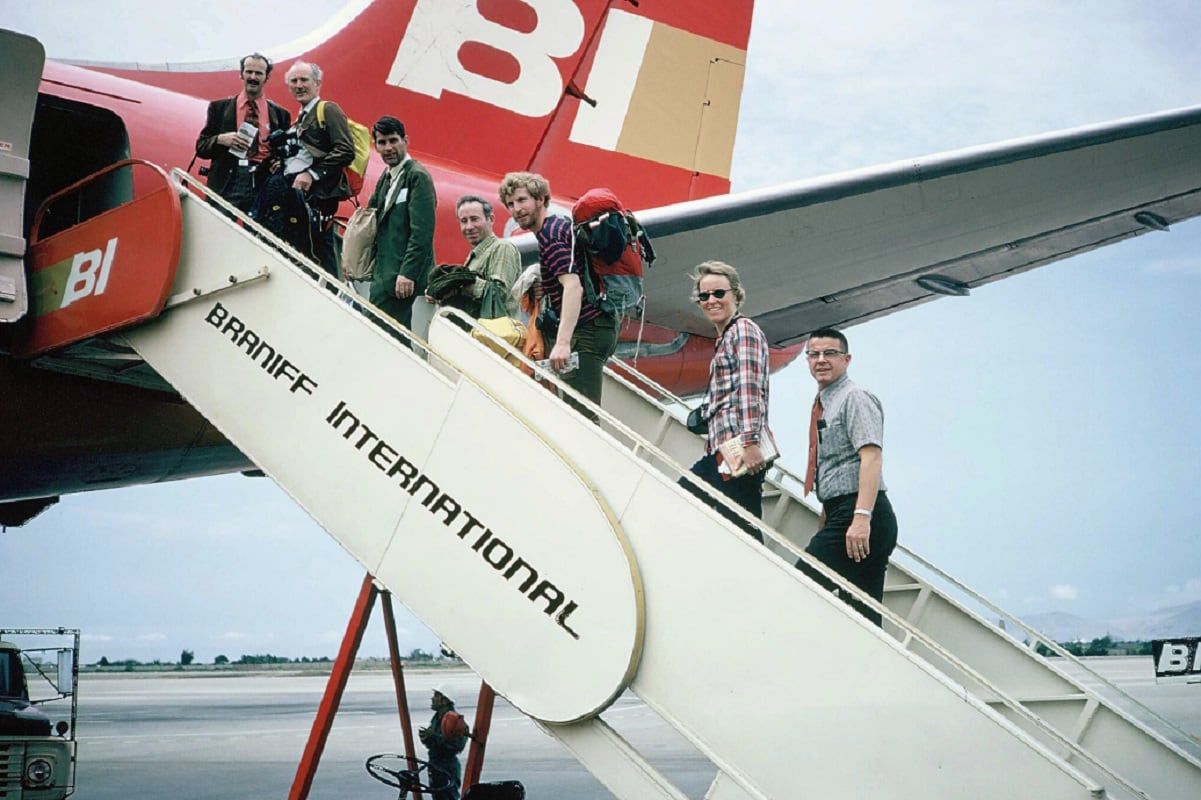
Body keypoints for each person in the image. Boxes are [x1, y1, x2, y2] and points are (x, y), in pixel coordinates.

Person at [796, 327, 898, 626]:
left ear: (846, 359)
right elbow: (837, 466)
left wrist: (862, 518)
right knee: (861, 619)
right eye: (814, 354)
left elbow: (871, 457)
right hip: (841, 511)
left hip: (860, 513)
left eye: (830, 353)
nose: (821, 360)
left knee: (799, 585)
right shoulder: (826, 402)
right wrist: (827, 514)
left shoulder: (854, 398)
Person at [499, 171, 617, 411]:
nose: (516, 209)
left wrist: (563, 343)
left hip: (586, 331)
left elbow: (573, 286)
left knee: (581, 415)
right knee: (578, 411)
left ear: (541, 199)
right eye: (510, 204)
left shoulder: (550, 236)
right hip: (598, 326)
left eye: (522, 200)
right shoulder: (558, 227)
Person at [678, 261, 773, 542]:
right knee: (737, 526)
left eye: (719, 293)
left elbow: (749, 388)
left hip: (738, 449)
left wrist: (751, 443)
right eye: (704, 296)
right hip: (723, 451)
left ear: (736, 294)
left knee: (739, 529)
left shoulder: (743, 331)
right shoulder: (727, 337)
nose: (711, 301)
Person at [282, 60, 354, 275]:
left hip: (320, 199)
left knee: (321, 254)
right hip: (306, 198)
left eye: (304, 80)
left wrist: (312, 174)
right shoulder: (301, 116)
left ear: (317, 84)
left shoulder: (327, 110)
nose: (299, 85)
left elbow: (346, 150)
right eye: (294, 81)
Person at [194, 53, 291, 212]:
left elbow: (285, 153)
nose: (253, 77)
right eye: (249, 72)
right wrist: (220, 139)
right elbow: (201, 148)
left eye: (258, 73)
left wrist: (280, 162)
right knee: (220, 227)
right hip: (227, 182)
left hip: (263, 182)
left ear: (266, 77)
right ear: (241, 74)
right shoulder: (219, 108)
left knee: (257, 229)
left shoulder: (281, 114)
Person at [364, 116, 437, 327]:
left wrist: (407, 273)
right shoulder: (387, 177)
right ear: (376, 146)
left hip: (400, 278)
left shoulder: (417, 177)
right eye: (382, 142)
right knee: (383, 331)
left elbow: (422, 232)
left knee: (383, 332)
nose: (388, 147)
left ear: (406, 141)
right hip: (384, 274)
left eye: (393, 140)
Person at [431, 195, 520, 318]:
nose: (469, 227)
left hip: (496, 329)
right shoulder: (476, 255)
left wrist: (460, 285)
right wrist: (441, 292)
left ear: (491, 219)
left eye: (474, 219)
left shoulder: (502, 247)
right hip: (478, 328)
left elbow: (498, 294)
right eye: (464, 221)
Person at [419, 686, 469, 800]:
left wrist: (433, 737)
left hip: (447, 767)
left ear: (445, 700)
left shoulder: (455, 721)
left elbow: (457, 746)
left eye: (436, 695)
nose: (432, 698)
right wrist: (427, 738)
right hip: (435, 765)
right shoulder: (438, 718)